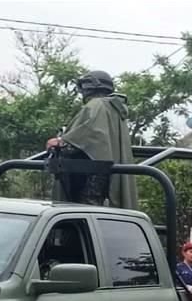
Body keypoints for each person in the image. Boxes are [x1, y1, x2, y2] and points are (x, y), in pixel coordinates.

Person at [46, 70, 138, 210]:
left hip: (90, 176)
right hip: (105, 174)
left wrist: (60, 142)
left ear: (90, 86)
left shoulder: (96, 105)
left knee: (82, 213)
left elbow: (86, 138)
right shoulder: (114, 107)